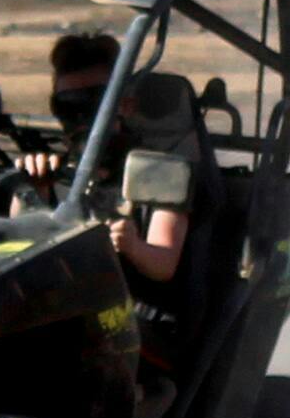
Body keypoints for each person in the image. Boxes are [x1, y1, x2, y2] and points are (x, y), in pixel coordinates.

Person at [32, 28, 192, 287]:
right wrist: (34, 193)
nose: (81, 120)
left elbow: (164, 264)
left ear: (125, 106)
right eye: (68, 107)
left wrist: (133, 246)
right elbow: (13, 251)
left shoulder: (159, 172)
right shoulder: (57, 172)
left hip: (132, 310)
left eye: (93, 105)